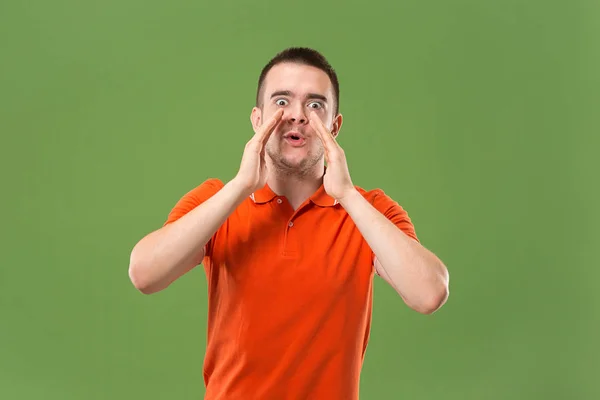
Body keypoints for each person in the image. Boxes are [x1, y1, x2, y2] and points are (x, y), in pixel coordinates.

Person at [128, 47, 449, 399]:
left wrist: (346, 195)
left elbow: (430, 293)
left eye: (314, 105)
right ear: (257, 119)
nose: (296, 115)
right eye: (281, 102)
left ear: (334, 125)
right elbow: (144, 274)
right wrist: (239, 188)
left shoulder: (370, 210)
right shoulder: (216, 200)